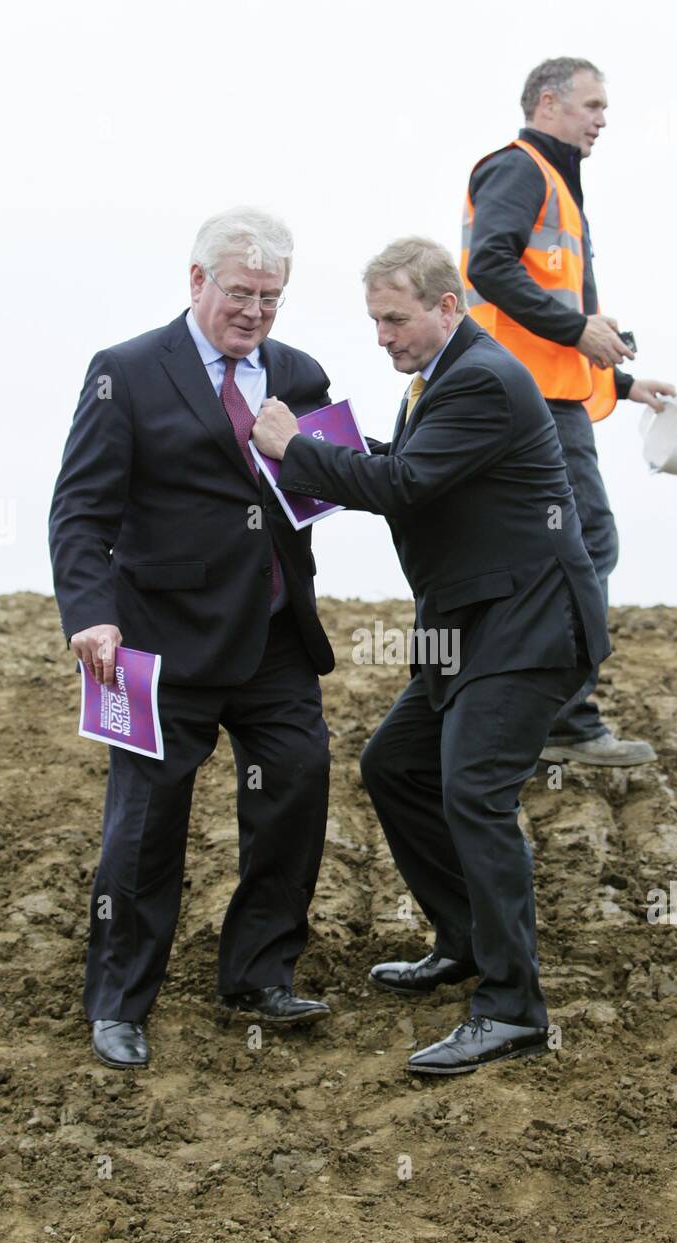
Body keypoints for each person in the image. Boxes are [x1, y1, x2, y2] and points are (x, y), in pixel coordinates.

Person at [252, 237, 611, 1077]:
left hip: (528, 626)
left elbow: (406, 489)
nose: (382, 335)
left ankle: (513, 1008)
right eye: (375, 319)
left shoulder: (482, 378)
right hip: (469, 625)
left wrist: (293, 452)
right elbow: (414, 468)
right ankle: (464, 941)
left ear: (446, 308)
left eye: (395, 318)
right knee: (396, 767)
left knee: (473, 791)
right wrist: (341, 449)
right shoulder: (444, 378)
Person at [49, 207, 334, 1070]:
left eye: (272, 299)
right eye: (241, 293)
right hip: (148, 643)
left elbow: (321, 486)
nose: (255, 313)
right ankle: (120, 1002)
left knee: (296, 786)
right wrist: (89, 615)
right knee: (143, 824)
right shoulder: (125, 373)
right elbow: (81, 512)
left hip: (275, 634)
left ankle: (257, 974)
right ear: (197, 281)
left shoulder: (299, 373)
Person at [462, 56, 677, 767]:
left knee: (552, 554)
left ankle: (535, 716)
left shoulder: (554, 183)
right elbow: (488, 266)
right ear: (547, 103)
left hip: (547, 398)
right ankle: (563, 720)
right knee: (583, 546)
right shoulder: (520, 169)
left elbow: (551, 316)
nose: (601, 120)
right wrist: (575, 329)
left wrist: (620, 382)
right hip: (528, 409)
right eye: (591, 105)